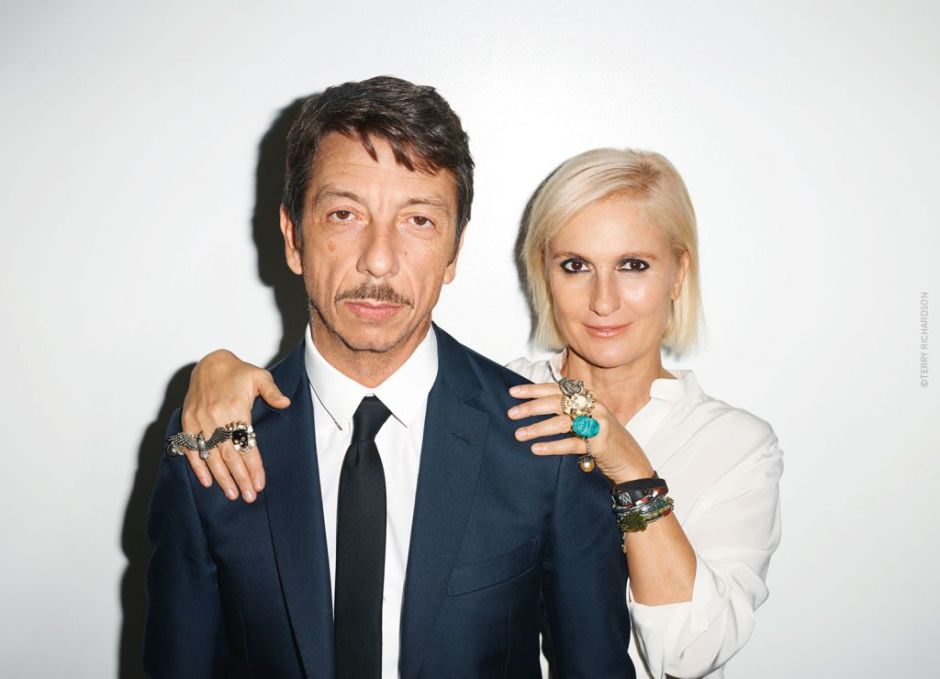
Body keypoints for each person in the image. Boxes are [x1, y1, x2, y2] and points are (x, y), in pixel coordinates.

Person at [182, 146, 783, 678]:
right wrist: (216, 369)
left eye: (634, 265)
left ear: (678, 273)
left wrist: (629, 467)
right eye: (575, 265)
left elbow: (688, 655)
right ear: (543, 273)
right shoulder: (496, 404)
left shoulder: (734, 445)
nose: (604, 299)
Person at [145, 76, 634, 678]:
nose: (378, 260)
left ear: (454, 252)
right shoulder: (213, 444)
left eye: (418, 220)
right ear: (294, 238)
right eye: (344, 214)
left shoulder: (542, 445)